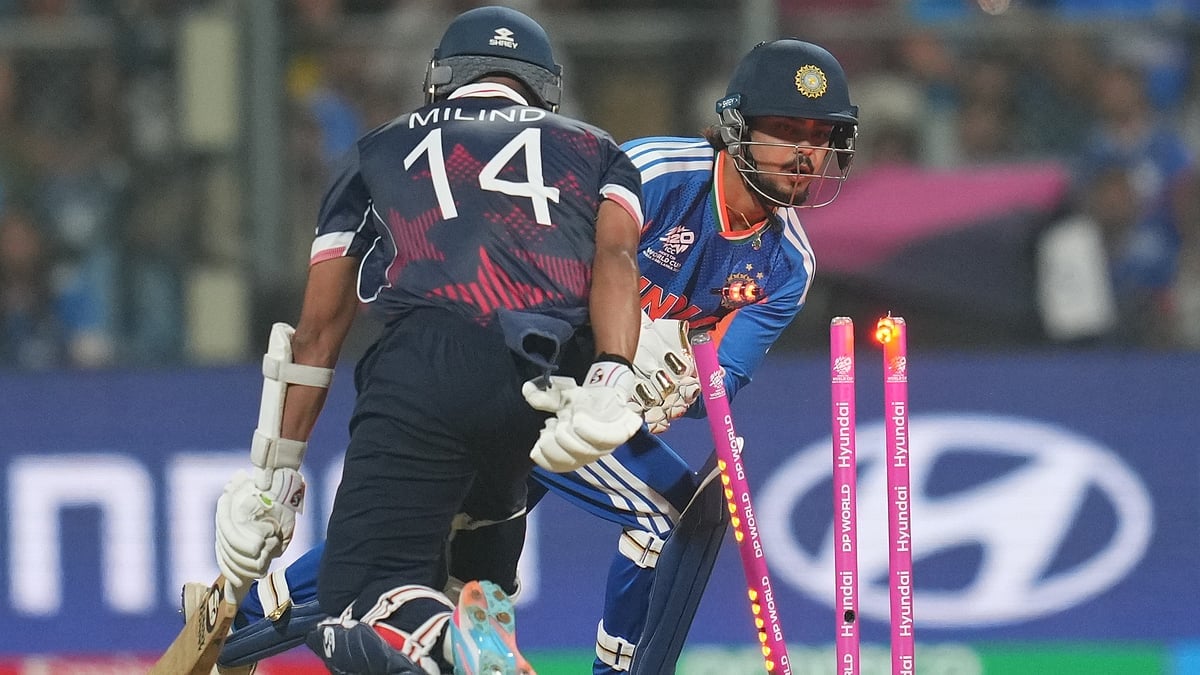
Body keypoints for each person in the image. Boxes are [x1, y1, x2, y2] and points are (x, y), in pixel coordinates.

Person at [200, 37, 858, 674]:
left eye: (822, 136)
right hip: (538, 373)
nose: (806, 153)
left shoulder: (789, 265)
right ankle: (249, 615)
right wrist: (615, 356)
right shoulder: (653, 174)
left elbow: (720, 380)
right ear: (737, 128)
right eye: (786, 130)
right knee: (673, 512)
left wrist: (669, 387)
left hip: (593, 405)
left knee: (438, 538)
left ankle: (247, 615)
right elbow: (543, 263)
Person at [208, 6, 647, 674]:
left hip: (428, 364)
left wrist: (273, 481)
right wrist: (613, 373)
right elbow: (616, 261)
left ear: (441, 79)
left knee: (350, 608)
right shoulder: (599, 149)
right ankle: (472, 614)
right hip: (549, 375)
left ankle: (444, 636)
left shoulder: (376, 149)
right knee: (469, 570)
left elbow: (318, 333)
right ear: (544, 87)